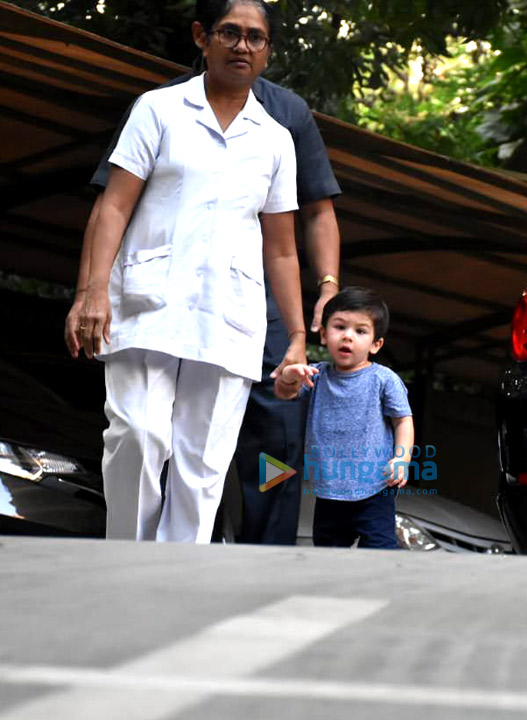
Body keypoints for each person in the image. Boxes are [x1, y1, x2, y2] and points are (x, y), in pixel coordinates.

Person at [65, 0, 341, 545]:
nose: (242, 46)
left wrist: (295, 338)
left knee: (202, 465)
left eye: (256, 38)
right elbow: (113, 206)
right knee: (138, 436)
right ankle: (128, 564)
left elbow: (282, 249)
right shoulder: (158, 109)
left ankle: (174, 584)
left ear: (267, 52)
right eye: (230, 33)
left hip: (230, 318)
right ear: (202, 37)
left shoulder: (275, 137)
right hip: (146, 304)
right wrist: (91, 291)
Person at [275, 287, 415, 549]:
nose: (348, 337)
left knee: (380, 551)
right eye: (340, 327)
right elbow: (285, 393)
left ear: (376, 344)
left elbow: (403, 420)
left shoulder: (384, 379)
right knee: (329, 554)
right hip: (328, 490)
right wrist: (288, 376)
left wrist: (402, 458)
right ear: (325, 335)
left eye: (360, 331)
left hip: (375, 487)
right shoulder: (314, 375)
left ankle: (374, 590)